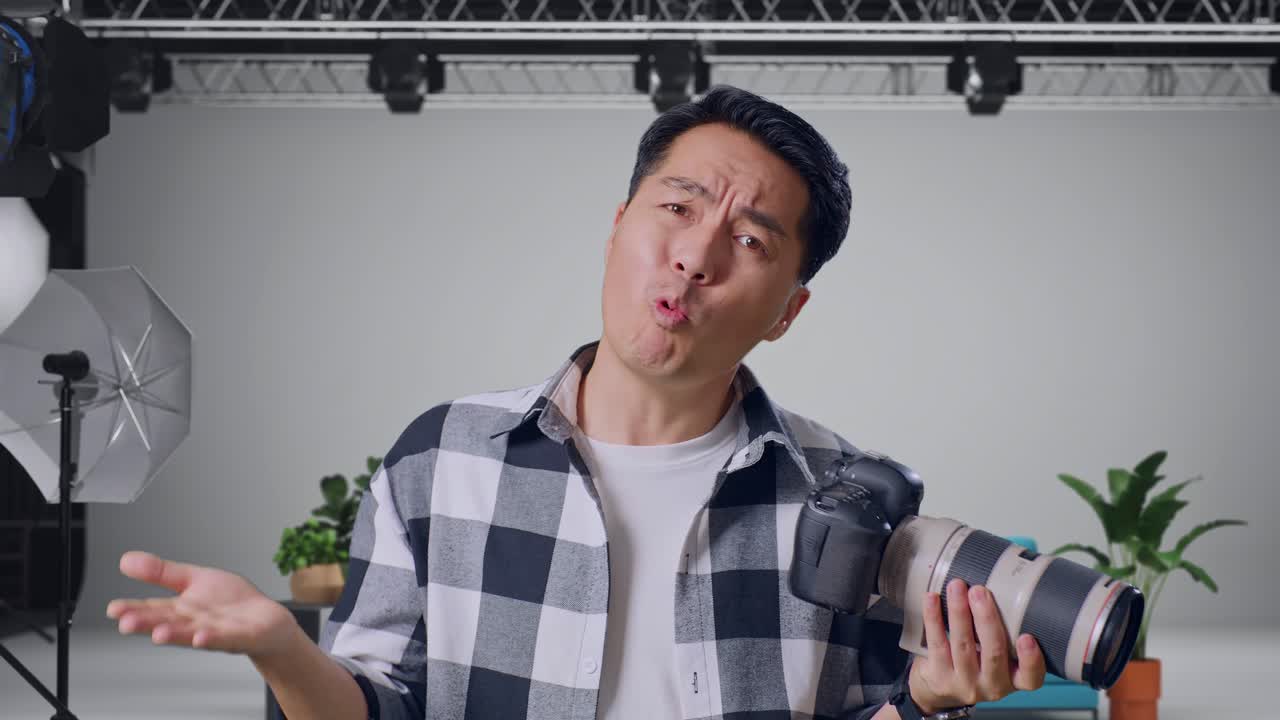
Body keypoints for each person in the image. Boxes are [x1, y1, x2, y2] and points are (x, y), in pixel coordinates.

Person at [107, 85, 1045, 719]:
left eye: (752, 241)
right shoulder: (442, 460)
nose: (696, 256)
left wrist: (927, 702)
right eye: (677, 208)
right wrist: (284, 650)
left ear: (786, 313)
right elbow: (378, 708)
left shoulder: (850, 501)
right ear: (618, 228)